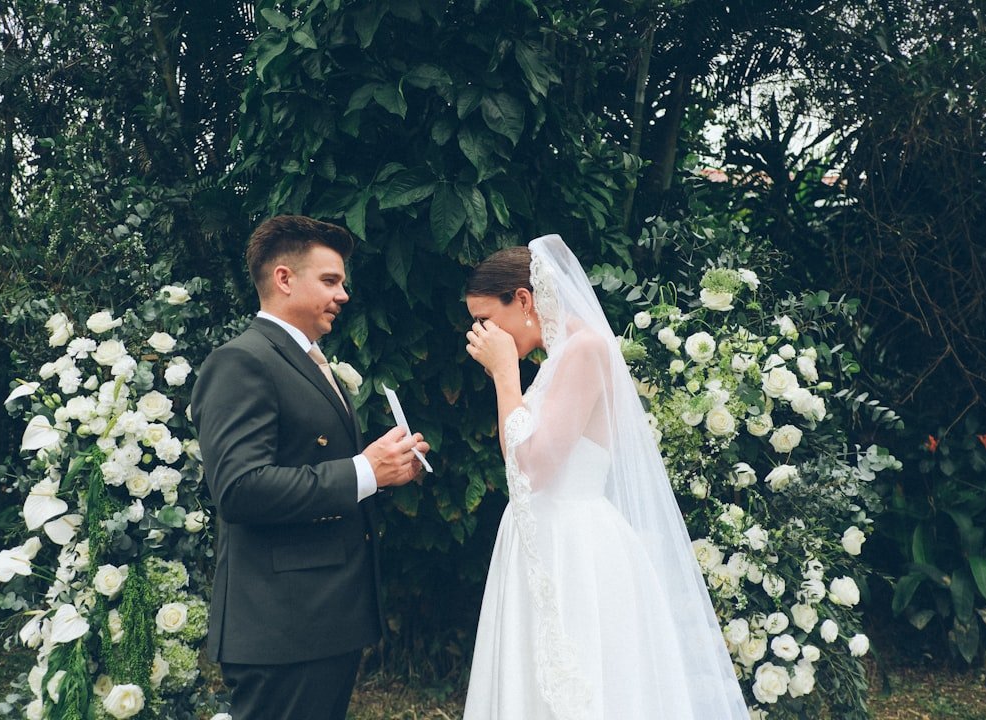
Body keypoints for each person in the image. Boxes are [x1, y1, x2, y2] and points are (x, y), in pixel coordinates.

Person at [461, 235, 749, 719]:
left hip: (574, 546)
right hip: (538, 537)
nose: (481, 333)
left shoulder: (585, 350)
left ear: (524, 300)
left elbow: (537, 466)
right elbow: (515, 456)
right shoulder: (554, 362)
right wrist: (506, 380)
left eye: (486, 319)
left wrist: (506, 375)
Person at [190, 215, 430, 720]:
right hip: (284, 627)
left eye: (341, 282)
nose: (343, 294)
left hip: (322, 619)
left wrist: (382, 472)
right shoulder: (243, 361)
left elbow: (314, 467)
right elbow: (239, 489)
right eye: (330, 280)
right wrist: (364, 471)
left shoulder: (309, 359)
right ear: (283, 279)